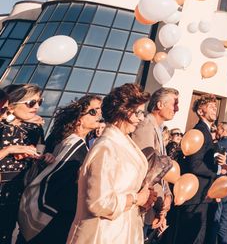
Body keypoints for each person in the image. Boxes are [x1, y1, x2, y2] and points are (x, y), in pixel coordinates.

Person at [67, 83, 154, 244]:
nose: (141, 118)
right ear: (124, 111)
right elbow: (98, 202)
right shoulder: (106, 147)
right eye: (139, 113)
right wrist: (136, 199)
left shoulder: (124, 141)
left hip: (123, 231)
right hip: (102, 235)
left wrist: (144, 197)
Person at [18, 94, 103, 243]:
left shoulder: (70, 141)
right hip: (53, 222)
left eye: (99, 110)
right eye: (93, 111)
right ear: (79, 119)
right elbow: (61, 184)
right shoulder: (75, 145)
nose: (99, 114)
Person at [0, 84, 53, 244]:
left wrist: (45, 157)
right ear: (13, 103)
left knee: (6, 234)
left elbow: (39, 152)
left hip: (20, 191)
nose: (36, 107)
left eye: (40, 102)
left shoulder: (34, 128)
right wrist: (10, 149)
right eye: (31, 103)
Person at [173, 94, 226, 244]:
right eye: (210, 106)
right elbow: (195, 165)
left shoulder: (208, 132)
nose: (215, 108)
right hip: (196, 196)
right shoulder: (200, 131)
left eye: (215, 106)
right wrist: (216, 172)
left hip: (203, 194)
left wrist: (220, 163)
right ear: (200, 112)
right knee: (193, 238)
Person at [131, 87, 179, 237]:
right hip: (144, 203)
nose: (177, 109)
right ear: (160, 105)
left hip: (154, 204)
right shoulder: (145, 126)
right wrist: (161, 202)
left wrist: (168, 195)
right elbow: (148, 170)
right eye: (174, 104)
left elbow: (162, 170)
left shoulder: (158, 129)